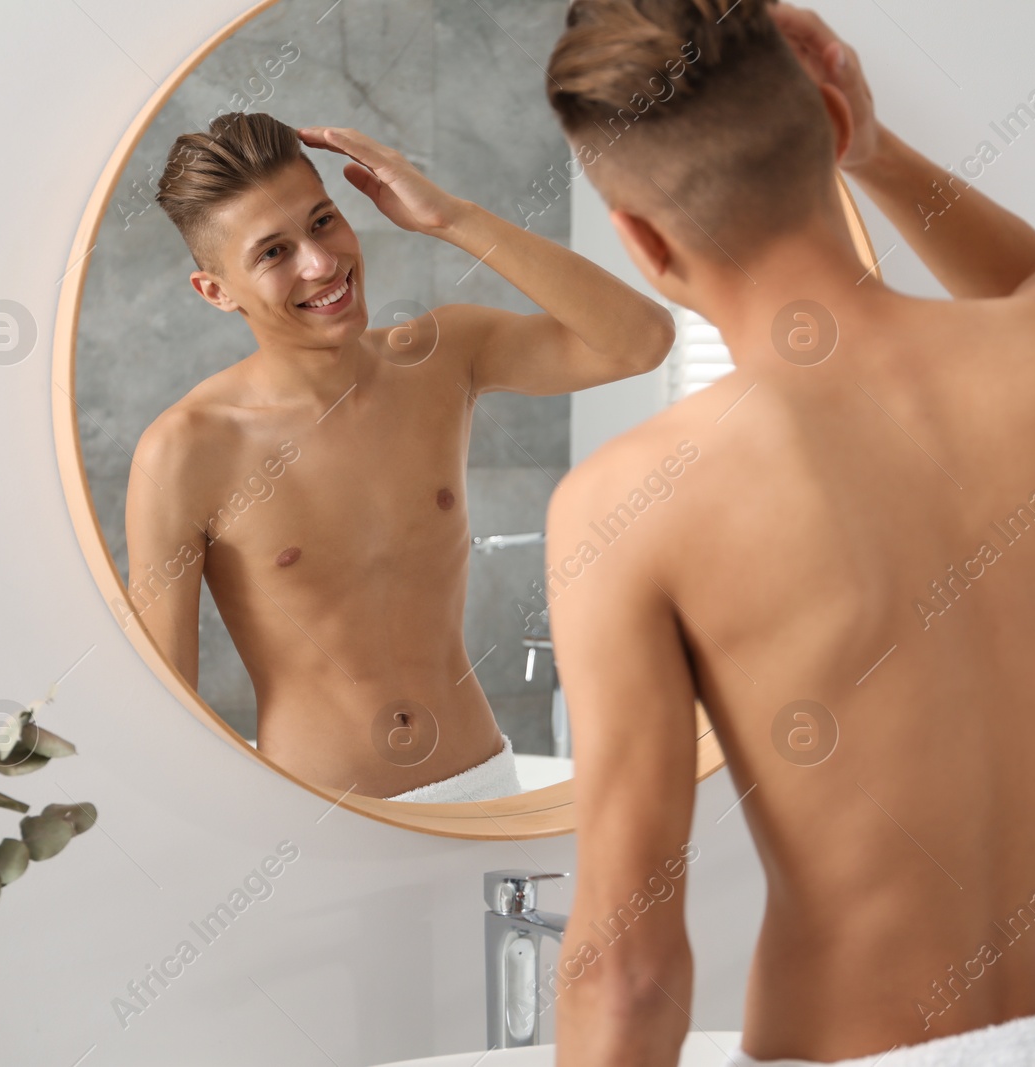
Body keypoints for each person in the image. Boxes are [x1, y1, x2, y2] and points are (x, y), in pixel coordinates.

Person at [541, 2, 1035, 1065]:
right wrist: (872, 148)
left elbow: (629, 968)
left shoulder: (633, 500)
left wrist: (846, 131)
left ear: (639, 239)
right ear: (832, 119)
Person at [124, 111, 675, 802]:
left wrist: (451, 218)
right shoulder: (186, 450)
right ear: (216, 290)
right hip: (324, 820)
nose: (321, 263)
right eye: (273, 252)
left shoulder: (442, 357)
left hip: (486, 787)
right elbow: (162, 708)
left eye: (323, 221)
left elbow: (640, 341)